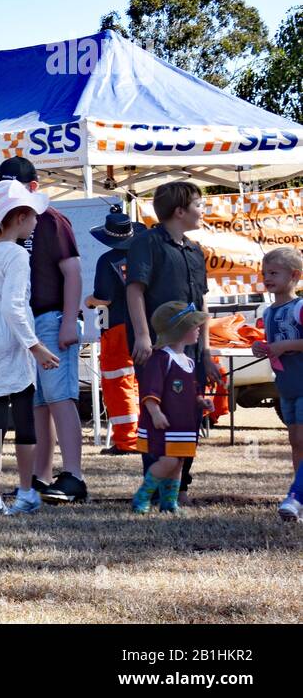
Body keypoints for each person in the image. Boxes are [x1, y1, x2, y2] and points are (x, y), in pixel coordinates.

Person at [0, 157, 86, 504]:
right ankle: (41, 477)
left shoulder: (51, 220)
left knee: (60, 396)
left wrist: (70, 320)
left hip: (52, 315)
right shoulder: (11, 225)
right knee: (37, 404)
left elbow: (72, 271)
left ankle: (74, 475)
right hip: (29, 320)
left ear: (33, 188)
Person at [0, 180, 60, 515]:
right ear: (19, 217)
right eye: (33, 216)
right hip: (11, 336)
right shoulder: (18, 254)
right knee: (23, 414)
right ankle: (25, 492)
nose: (36, 222)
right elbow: (13, 306)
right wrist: (34, 346)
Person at [125, 180, 216, 505]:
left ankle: (178, 487)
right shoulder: (146, 243)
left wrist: (205, 349)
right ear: (180, 211)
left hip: (190, 349)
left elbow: (202, 301)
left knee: (187, 415)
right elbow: (135, 289)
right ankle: (152, 488)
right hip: (158, 348)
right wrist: (144, 336)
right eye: (198, 205)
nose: (203, 211)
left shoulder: (194, 249)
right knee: (157, 414)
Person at [132, 301, 209, 513]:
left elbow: (190, 390)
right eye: (194, 326)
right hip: (165, 425)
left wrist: (201, 401)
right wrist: (155, 413)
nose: (198, 329)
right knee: (167, 462)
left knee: (178, 464)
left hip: (183, 425)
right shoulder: (161, 358)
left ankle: (169, 502)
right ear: (180, 331)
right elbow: (150, 390)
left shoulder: (189, 361)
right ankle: (142, 496)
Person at [83, 205, 144, 454]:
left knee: (118, 383)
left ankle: (126, 440)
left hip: (116, 326)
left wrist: (89, 301)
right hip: (142, 327)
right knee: (138, 383)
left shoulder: (108, 261)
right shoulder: (144, 257)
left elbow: (104, 298)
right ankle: (141, 436)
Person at [252, 247, 303, 521]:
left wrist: (286, 345)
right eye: (264, 273)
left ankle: (296, 497)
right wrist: (260, 347)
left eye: (274, 273)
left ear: (294, 275)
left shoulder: (300, 308)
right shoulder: (269, 312)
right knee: (295, 440)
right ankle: (300, 495)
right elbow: (273, 346)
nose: (267, 278)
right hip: (286, 387)